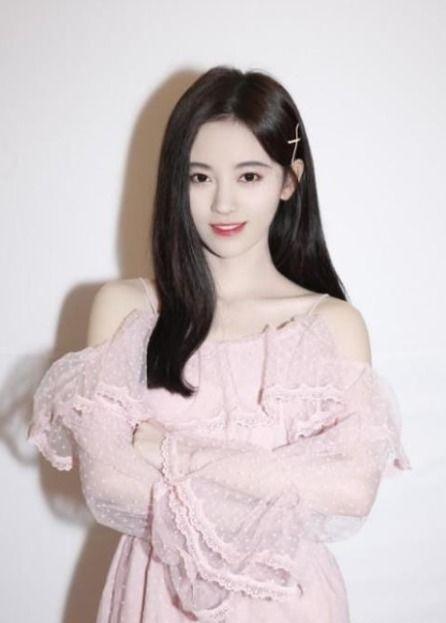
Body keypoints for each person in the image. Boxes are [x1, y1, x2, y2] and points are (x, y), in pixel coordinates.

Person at [27, 65, 411, 622]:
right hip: (155, 600)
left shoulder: (331, 324)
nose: (223, 204)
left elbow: (349, 492)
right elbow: (109, 486)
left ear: (289, 181)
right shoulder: (128, 310)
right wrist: (275, 481)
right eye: (200, 177)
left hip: (289, 604)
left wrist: (175, 453)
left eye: (249, 176)